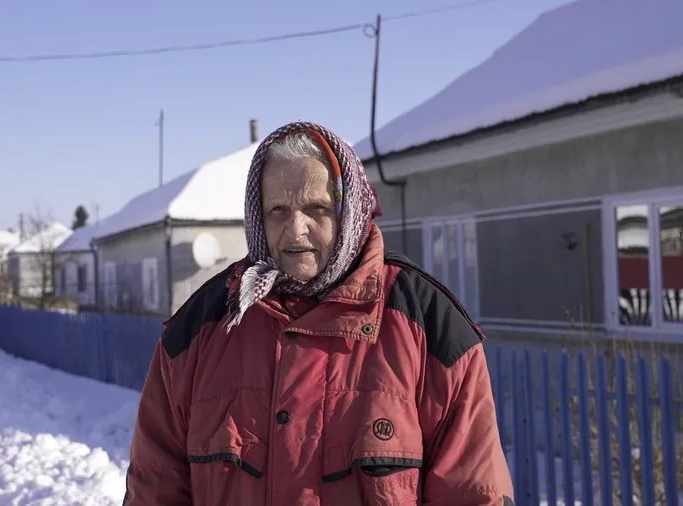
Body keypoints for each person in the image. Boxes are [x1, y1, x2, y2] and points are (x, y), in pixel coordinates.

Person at [123, 121, 514, 505]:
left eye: (317, 208)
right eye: (278, 210)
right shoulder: (200, 329)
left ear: (350, 210)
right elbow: (154, 491)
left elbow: (473, 494)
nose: (296, 230)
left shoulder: (429, 328)